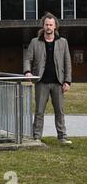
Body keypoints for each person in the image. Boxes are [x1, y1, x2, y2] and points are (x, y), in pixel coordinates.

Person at [24, 12, 72, 145]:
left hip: (58, 82)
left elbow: (67, 62)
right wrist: (27, 71)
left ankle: (62, 136)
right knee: (39, 111)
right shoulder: (35, 42)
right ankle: (36, 136)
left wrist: (67, 81)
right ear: (43, 26)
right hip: (41, 82)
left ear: (55, 26)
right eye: (46, 25)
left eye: (51, 24)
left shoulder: (63, 42)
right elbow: (28, 59)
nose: (48, 27)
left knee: (59, 111)